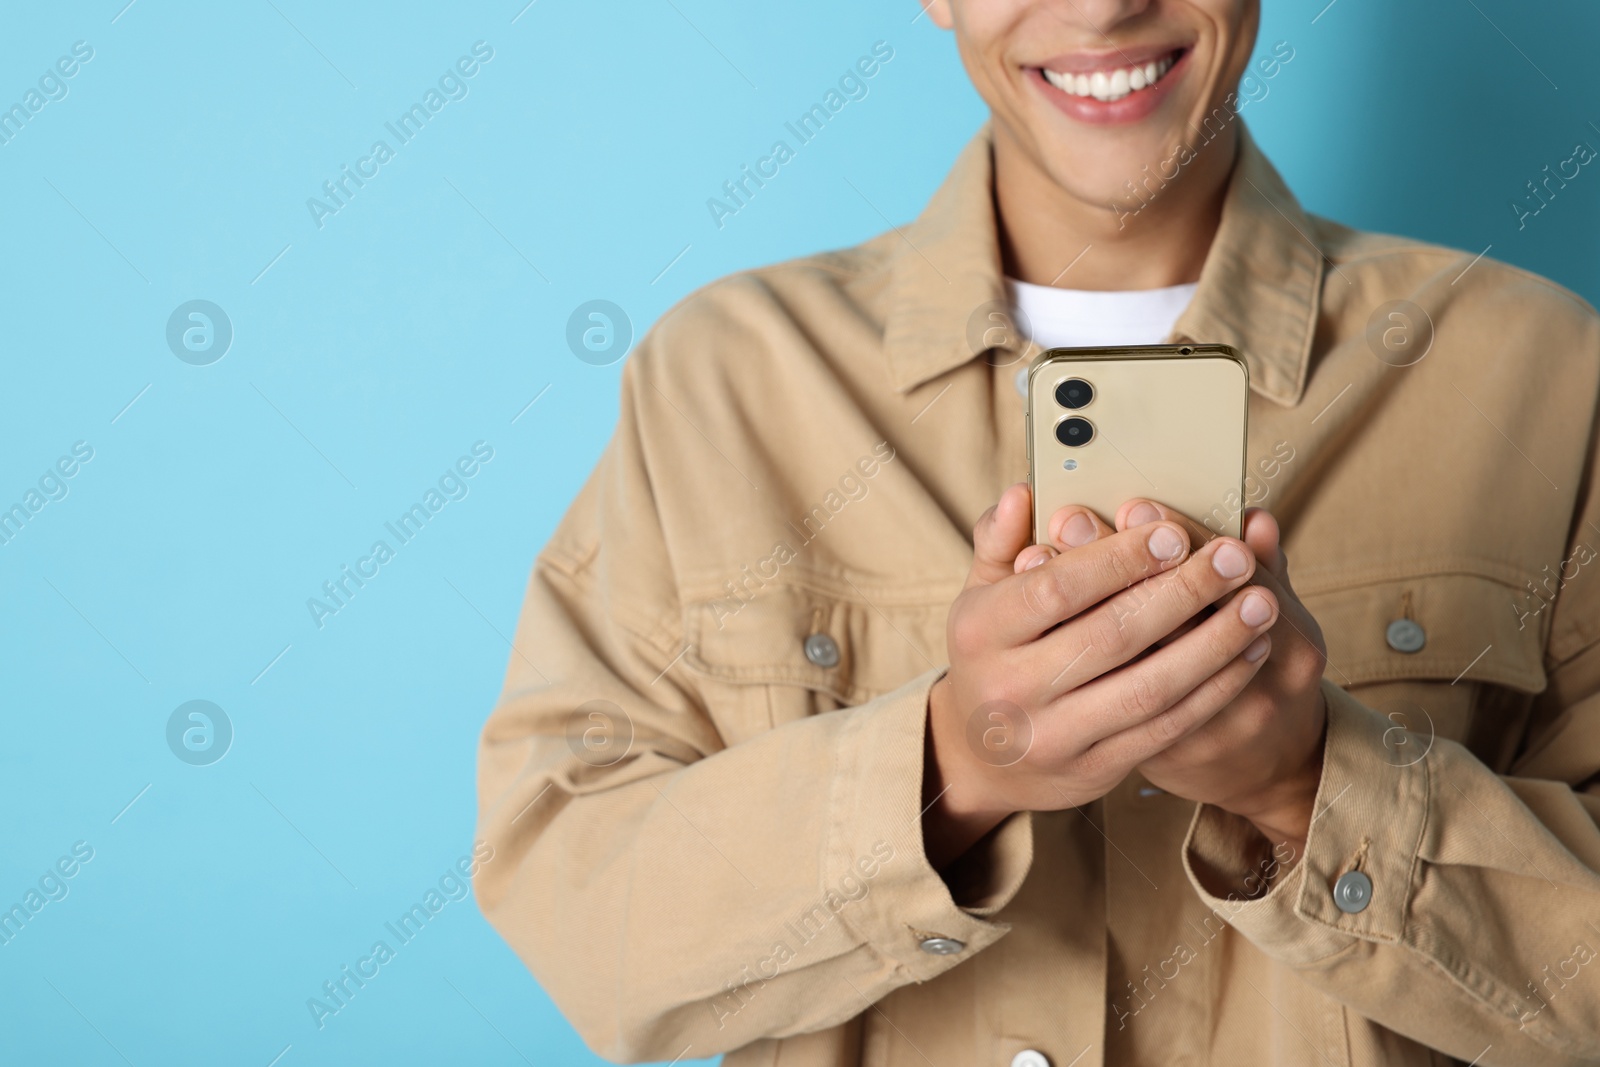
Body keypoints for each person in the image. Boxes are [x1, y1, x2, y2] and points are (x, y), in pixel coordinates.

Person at [474, 1, 1600, 1064]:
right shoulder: (724, 379)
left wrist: (1307, 782)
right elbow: (580, 915)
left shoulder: (1541, 374)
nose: (1104, 5)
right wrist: (946, 766)